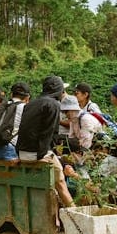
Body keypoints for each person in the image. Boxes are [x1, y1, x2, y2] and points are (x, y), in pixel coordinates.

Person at [16, 75, 73, 207]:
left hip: (22, 152)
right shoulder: (53, 104)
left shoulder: (31, 103)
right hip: (37, 154)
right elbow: (49, 133)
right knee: (60, 182)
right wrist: (43, 155)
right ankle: (73, 211)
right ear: (58, 91)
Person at [0, 82, 30, 162]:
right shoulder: (25, 108)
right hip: (9, 150)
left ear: (11, 95)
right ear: (27, 97)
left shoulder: (1, 106)